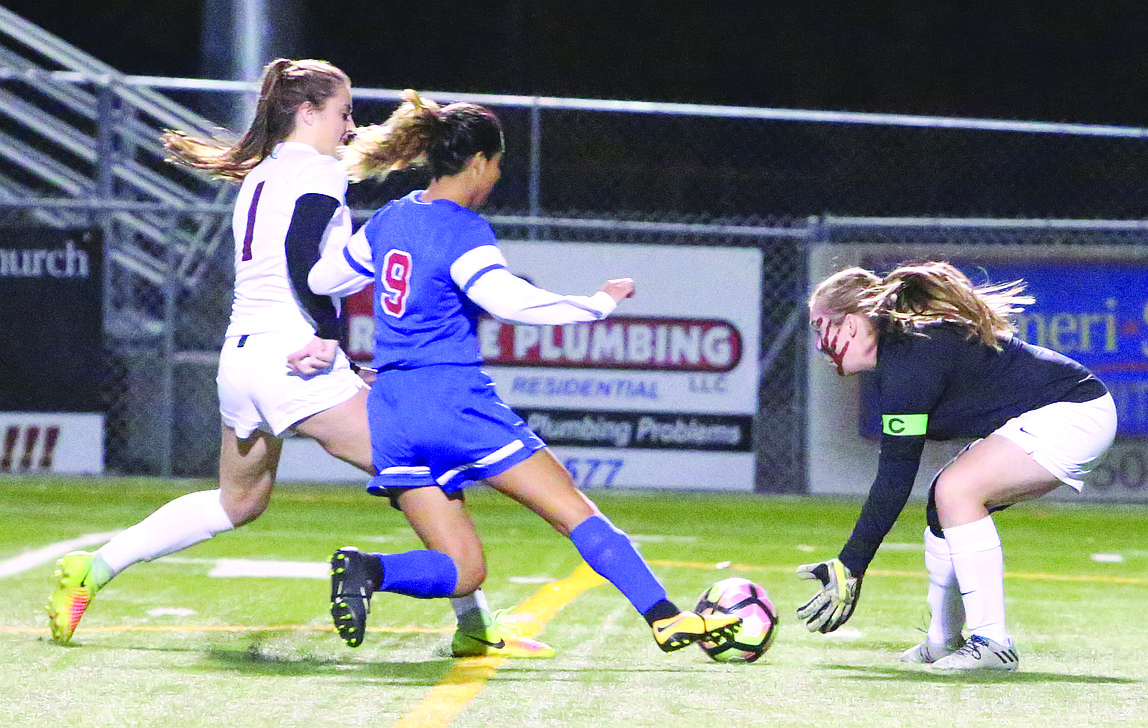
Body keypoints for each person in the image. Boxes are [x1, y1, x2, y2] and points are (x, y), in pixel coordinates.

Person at [46, 59, 548, 660]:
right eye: (342, 111)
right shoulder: (318, 171)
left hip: (240, 362)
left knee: (239, 502)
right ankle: (474, 623)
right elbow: (302, 256)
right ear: (307, 113)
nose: (349, 124)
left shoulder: (262, 173)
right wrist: (331, 333)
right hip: (295, 361)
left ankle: (94, 567)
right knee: (421, 463)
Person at [300, 90, 742, 653]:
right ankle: (664, 616)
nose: (497, 175)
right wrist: (597, 304)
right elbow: (510, 302)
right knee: (574, 511)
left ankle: (369, 571)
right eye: (499, 164)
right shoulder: (461, 230)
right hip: (454, 404)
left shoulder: (392, 217)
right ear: (479, 162)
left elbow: (322, 281)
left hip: (392, 412)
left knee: (463, 569)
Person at [797, 262, 1116, 671]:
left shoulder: (910, 358)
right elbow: (899, 473)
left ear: (853, 325)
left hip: (1074, 412)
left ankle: (992, 643)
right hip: (1068, 410)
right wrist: (851, 564)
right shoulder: (901, 356)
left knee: (957, 491)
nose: (819, 343)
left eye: (819, 327)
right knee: (943, 501)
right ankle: (943, 641)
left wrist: (851, 563)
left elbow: (895, 476)